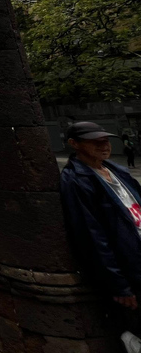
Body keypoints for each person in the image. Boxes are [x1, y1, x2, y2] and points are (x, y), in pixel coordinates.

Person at [60, 122, 141, 352]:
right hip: (130, 270)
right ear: (74, 144)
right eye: (95, 141)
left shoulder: (117, 170)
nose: (103, 145)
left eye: (105, 140)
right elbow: (92, 237)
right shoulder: (76, 180)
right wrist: (118, 285)